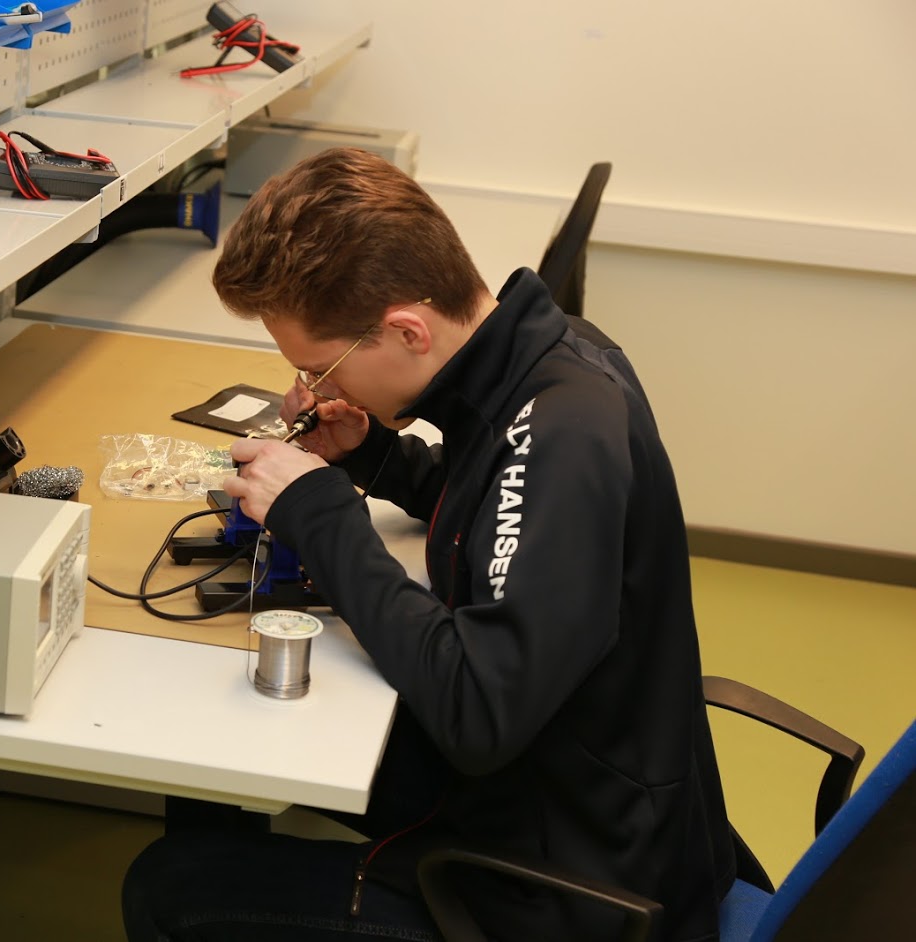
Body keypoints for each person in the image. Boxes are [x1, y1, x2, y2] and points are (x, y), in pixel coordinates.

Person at [120, 147, 736, 942]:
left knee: (172, 886)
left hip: (573, 888)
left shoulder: (564, 437)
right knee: (222, 735)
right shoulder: (551, 361)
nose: (315, 393)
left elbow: (476, 712)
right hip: (563, 783)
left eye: (322, 368)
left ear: (407, 328)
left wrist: (319, 513)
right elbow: (494, 490)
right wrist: (379, 456)